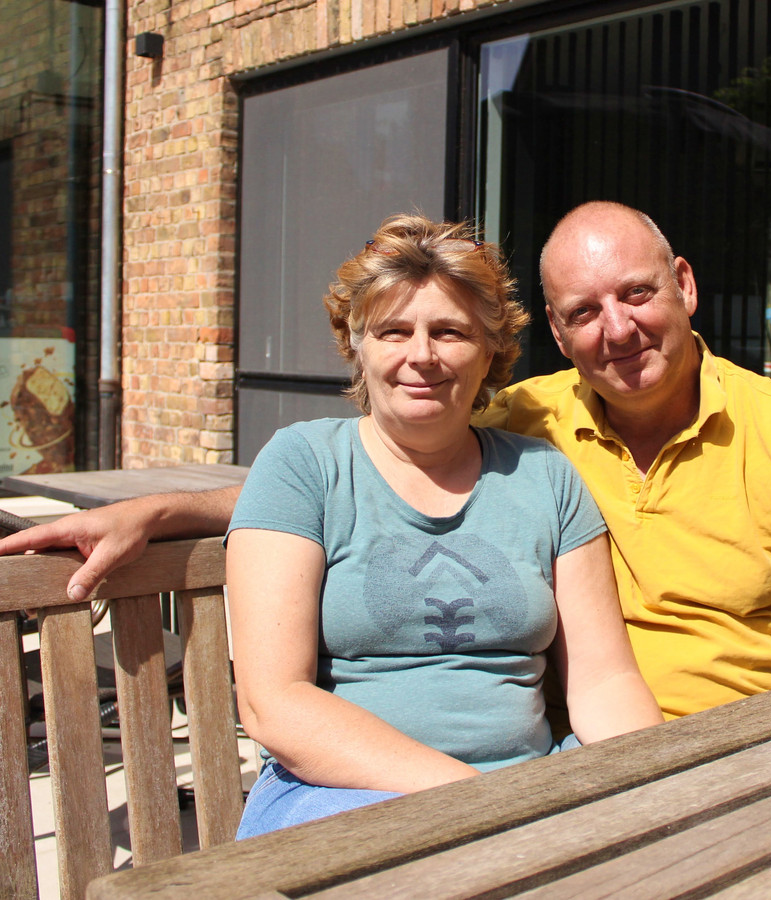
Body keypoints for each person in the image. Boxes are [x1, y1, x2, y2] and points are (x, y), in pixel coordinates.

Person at [0, 202, 771, 740]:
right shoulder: (525, 426)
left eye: (636, 294)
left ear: (682, 285)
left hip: (752, 755)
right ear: (548, 332)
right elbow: (374, 478)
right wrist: (167, 511)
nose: (616, 330)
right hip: (578, 765)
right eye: (583, 312)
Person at [216, 214, 661, 836]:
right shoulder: (303, 464)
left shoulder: (544, 477)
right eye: (393, 330)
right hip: (343, 795)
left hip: (527, 786)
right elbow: (275, 704)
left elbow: (603, 677)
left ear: (489, 352)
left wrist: (659, 781)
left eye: (449, 332)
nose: (420, 356)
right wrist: (475, 801)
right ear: (357, 345)